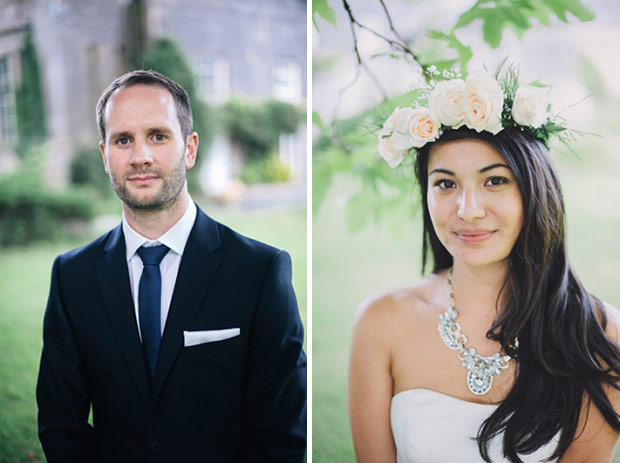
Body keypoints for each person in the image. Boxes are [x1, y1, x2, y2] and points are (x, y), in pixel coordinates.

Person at [348, 68, 620, 462]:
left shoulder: (598, 336)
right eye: (445, 183)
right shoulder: (380, 322)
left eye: (495, 181)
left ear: (536, 190)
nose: (468, 211)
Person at [36, 70, 306, 462]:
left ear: (190, 148)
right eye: (123, 139)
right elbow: (61, 425)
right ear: (104, 155)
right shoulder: (71, 276)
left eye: (158, 136)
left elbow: (281, 432)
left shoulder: (260, 271)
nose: (140, 155)